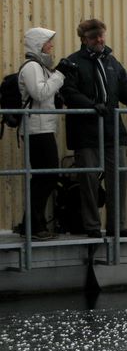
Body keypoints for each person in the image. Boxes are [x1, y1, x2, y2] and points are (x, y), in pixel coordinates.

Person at [60, 18, 127, 238]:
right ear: (84, 39)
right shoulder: (73, 63)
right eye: (93, 37)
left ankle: (116, 225)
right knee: (88, 178)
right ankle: (91, 225)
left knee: (118, 177)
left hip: (112, 129)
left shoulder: (111, 62)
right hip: (85, 131)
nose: (99, 40)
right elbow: (68, 92)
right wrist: (90, 105)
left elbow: (126, 86)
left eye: (101, 35)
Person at [17, 27, 76, 240]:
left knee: (44, 177)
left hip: (43, 128)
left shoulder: (41, 67)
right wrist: (60, 74)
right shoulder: (32, 67)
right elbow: (39, 92)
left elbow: (47, 94)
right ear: (38, 44)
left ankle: (30, 224)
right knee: (46, 177)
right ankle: (33, 226)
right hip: (36, 130)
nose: (51, 46)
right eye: (48, 42)